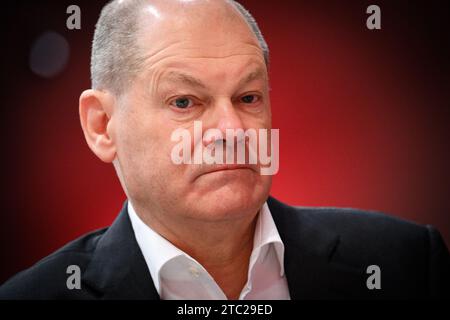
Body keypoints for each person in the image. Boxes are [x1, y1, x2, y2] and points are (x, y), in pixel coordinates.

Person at [1, 0, 448, 300]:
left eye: (248, 97)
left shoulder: (404, 262)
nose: (232, 130)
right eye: (184, 102)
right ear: (102, 126)